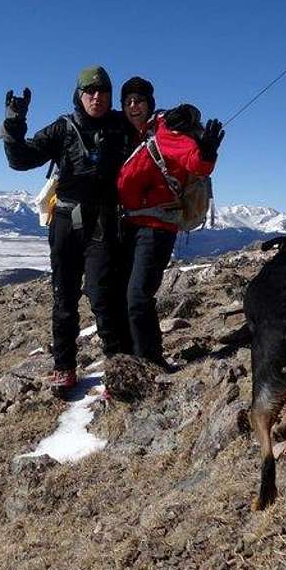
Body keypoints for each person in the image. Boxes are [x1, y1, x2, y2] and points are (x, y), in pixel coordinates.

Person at [0, 66, 136, 394]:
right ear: (79, 94)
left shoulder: (121, 126)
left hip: (104, 223)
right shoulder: (63, 128)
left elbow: (152, 134)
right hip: (66, 224)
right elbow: (19, 160)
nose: (96, 97)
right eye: (90, 91)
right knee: (64, 297)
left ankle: (118, 370)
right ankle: (64, 368)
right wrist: (14, 123)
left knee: (104, 296)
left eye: (102, 91)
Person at [117, 97, 224, 369]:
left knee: (139, 296)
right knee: (123, 294)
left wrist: (207, 154)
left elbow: (195, 162)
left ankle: (150, 362)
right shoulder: (123, 131)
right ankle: (132, 354)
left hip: (156, 227)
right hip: (126, 224)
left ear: (150, 104)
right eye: (127, 100)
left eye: (139, 100)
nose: (133, 106)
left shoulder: (165, 131)